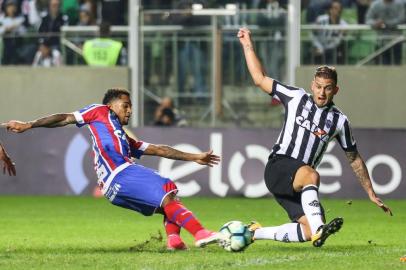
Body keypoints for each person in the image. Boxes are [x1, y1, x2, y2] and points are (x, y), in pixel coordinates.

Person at [2, 88, 223, 250]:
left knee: (170, 201)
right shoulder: (99, 112)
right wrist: (29, 124)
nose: (129, 111)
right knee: (167, 187)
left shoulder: (123, 138)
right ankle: (201, 233)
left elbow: (159, 150)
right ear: (111, 105)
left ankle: (174, 242)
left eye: (131, 107)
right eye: (125, 106)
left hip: (113, 187)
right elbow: (65, 118)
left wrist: (195, 157)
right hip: (119, 173)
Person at [237, 28, 392, 247]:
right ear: (312, 85)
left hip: (299, 184)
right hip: (279, 167)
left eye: (327, 89)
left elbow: (354, 158)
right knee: (312, 175)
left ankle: (254, 233)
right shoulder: (295, 97)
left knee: (307, 231)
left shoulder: (340, 121)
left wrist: (370, 192)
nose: (321, 93)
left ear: (335, 90)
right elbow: (259, 78)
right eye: (318, 87)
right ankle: (321, 229)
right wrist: (247, 44)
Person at [365, 0, 405, 65]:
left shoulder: (400, 4)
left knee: (396, 66)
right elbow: (368, 19)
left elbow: (401, 19)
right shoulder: (376, 4)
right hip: (381, 41)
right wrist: (375, 23)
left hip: (396, 41)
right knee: (381, 66)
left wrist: (386, 23)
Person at [310, 0, 347, 65]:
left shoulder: (343, 24)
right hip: (319, 46)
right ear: (330, 9)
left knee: (335, 53)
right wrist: (318, 46)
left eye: (337, 8)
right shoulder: (321, 20)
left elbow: (340, 39)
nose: (334, 10)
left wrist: (344, 32)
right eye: (333, 8)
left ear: (340, 10)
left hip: (333, 49)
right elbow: (313, 33)